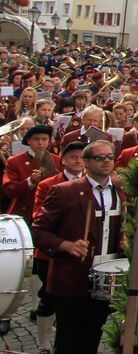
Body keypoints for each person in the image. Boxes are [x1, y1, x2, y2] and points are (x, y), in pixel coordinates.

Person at [32, 140, 125, 354]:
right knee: (67, 340)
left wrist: (125, 239)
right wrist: (65, 244)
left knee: (92, 336)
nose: (106, 161)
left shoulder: (121, 190)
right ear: (86, 162)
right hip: (73, 277)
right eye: (99, 157)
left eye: (110, 157)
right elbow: (38, 231)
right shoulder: (64, 191)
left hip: (107, 277)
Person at [30, 139, 86, 352]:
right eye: (73, 157)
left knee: (78, 303)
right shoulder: (48, 184)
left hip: (83, 254)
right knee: (48, 299)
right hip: (52, 254)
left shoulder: (93, 182)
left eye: (81, 157)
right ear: (63, 161)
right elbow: (39, 218)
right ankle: (44, 344)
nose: (78, 161)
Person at [4, 124, 61, 221]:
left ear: (49, 141)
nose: (40, 143)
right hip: (23, 214)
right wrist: (30, 181)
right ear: (29, 141)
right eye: (36, 139)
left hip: (50, 213)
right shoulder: (14, 161)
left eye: (44, 139)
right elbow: (9, 190)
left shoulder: (57, 160)